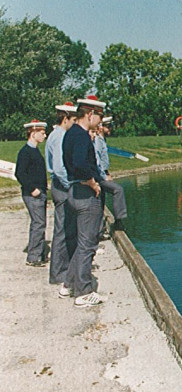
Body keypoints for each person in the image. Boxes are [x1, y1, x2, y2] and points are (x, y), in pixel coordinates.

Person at [62, 95, 107, 308]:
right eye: (99, 116)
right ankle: (84, 291)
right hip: (85, 194)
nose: (100, 120)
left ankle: (69, 284)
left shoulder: (69, 134)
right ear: (90, 114)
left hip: (72, 191)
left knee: (80, 244)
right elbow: (80, 163)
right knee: (88, 244)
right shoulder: (81, 136)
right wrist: (91, 182)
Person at [45, 102, 78, 292]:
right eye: (73, 120)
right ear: (65, 118)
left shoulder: (55, 135)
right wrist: (70, 185)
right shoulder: (59, 137)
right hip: (61, 187)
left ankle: (63, 269)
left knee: (65, 228)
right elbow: (58, 168)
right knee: (62, 230)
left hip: (59, 186)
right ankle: (58, 273)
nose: (74, 123)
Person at [15, 120, 48, 267]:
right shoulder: (26, 152)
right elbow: (20, 173)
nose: (45, 135)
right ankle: (33, 257)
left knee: (39, 223)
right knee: (38, 223)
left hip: (39, 192)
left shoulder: (34, 150)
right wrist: (32, 189)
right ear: (33, 134)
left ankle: (38, 254)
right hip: (32, 194)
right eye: (42, 133)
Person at [94, 116, 128, 231]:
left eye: (110, 126)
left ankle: (99, 229)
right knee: (118, 190)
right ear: (101, 127)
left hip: (103, 173)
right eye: (107, 126)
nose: (110, 129)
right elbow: (97, 161)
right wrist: (104, 176)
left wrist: (107, 172)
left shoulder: (102, 140)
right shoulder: (98, 141)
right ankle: (119, 221)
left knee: (101, 202)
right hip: (99, 175)